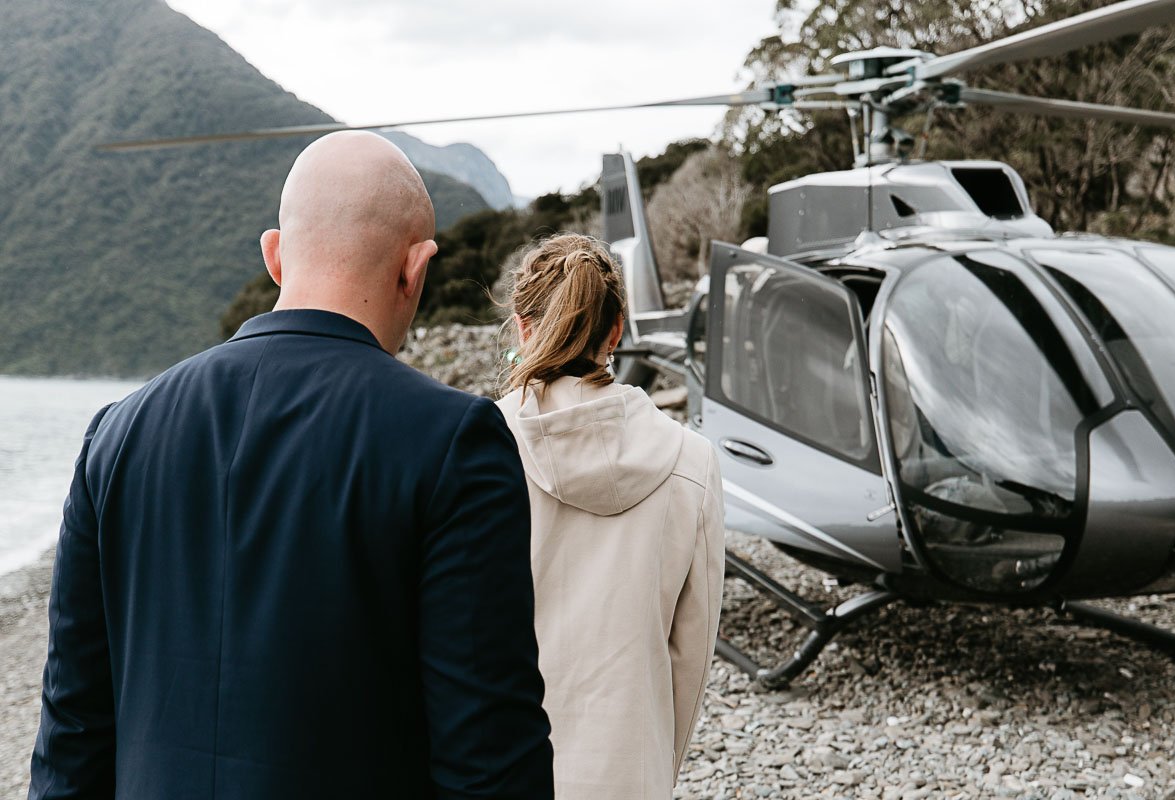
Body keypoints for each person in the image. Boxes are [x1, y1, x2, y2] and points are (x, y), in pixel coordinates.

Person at [28, 131, 554, 799]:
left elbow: (71, 730)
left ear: (275, 257)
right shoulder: (452, 441)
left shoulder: (117, 435)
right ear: (415, 268)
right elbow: (488, 760)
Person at [494, 234, 724, 799]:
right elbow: (689, 656)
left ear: (523, 328)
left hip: (500, 767)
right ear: (617, 330)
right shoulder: (692, 462)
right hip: (629, 769)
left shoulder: (476, 447)